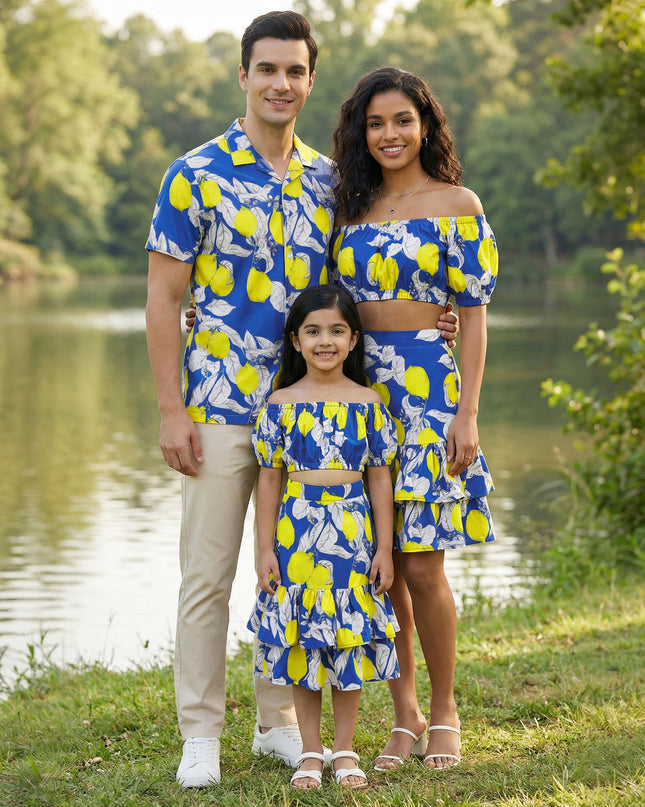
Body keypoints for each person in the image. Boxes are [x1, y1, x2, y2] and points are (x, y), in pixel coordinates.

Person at [154, 10, 457, 788]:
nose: (280, 83)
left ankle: (277, 723)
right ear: (245, 76)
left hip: (311, 412)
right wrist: (168, 408)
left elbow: (360, 282)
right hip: (220, 400)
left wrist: (435, 313)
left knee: (288, 569)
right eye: (267, 69)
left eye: (295, 71)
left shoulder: (331, 180)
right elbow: (163, 299)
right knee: (209, 573)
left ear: (309, 81)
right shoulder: (194, 174)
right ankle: (200, 731)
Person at [328, 66, 498, 771]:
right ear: (359, 133)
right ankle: (403, 715)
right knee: (382, 569)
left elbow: (477, 315)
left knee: (422, 566)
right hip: (359, 397)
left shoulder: (458, 202)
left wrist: (466, 412)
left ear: (424, 124)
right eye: (375, 123)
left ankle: (446, 710)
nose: (389, 134)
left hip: (428, 392)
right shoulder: (345, 208)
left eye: (402, 120)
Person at [247, 284, 399, 790]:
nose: (325, 341)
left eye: (336, 330)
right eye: (312, 331)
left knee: (346, 642)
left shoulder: (369, 403)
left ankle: (345, 750)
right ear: (295, 340)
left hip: (353, 535)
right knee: (305, 646)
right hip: (297, 533)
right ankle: (310, 751)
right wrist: (264, 548)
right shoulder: (280, 404)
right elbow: (269, 479)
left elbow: (380, 476)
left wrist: (383, 547)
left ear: (354, 340)